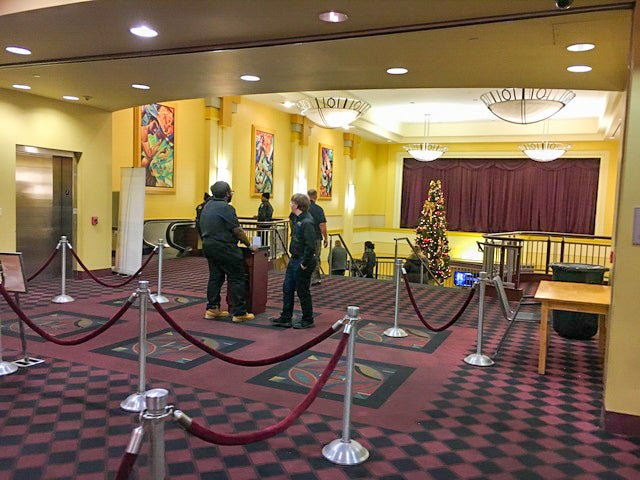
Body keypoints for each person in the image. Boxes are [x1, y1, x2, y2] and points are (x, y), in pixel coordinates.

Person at [199, 181, 257, 323]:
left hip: (208, 246)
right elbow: (237, 230)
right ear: (226, 194)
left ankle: (212, 309)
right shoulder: (227, 208)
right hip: (225, 247)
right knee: (237, 277)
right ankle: (239, 313)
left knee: (215, 277)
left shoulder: (207, 206)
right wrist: (250, 245)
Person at [271, 193, 317, 329]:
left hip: (303, 260)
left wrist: (304, 263)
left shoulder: (307, 222)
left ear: (297, 205)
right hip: (294, 258)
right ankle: (286, 317)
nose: (290, 204)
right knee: (287, 288)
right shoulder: (296, 218)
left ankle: (308, 319)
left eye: (291, 202)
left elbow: (310, 246)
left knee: (302, 291)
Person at [307, 189, 328, 285]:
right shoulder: (319, 209)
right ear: (316, 197)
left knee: (305, 256)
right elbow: (322, 225)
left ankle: (304, 277)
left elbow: (292, 219)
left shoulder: (302, 208)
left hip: (304, 238)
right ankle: (315, 278)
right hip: (316, 237)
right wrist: (325, 238)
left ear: (308, 196)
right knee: (315, 257)